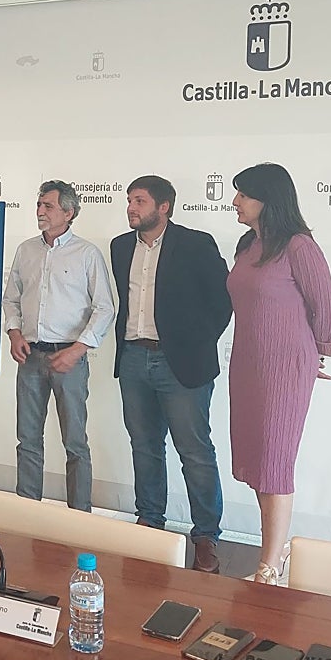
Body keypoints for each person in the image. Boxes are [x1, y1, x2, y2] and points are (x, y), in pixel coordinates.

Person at [110, 176, 232, 573]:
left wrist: (193, 345)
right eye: (129, 200)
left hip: (180, 364)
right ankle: (150, 523)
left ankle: (206, 537)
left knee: (194, 452)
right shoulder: (120, 246)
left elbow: (221, 303)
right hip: (133, 358)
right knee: (144, 446)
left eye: (140, 201)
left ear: (164, 207)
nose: (131, 207)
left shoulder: (197, 243)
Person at [227, 163, 331, 585]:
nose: (234, 202)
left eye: (243, 194)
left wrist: (319, 353)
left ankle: (269, 566)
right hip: (248, 364)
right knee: (257, 459)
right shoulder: (247, 245)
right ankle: (271, 550)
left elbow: (324, 305)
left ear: (267, 199)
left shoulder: (298, 246)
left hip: (285, 365)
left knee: (275, 461)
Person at [2, 180, 114, 512]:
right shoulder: (26, 250)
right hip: (31, 356)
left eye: (48, 206)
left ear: (69, 212)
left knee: (76, 443)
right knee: (28, 440)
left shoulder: (87, 253)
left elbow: (105, 308)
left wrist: (78, 349)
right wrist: (14, 333)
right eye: (39, 204)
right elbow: (11, 299)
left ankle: (79, 516)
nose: (40, 211)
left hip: (70, 358)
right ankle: (27, 511)